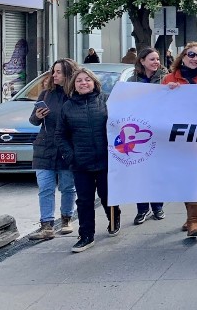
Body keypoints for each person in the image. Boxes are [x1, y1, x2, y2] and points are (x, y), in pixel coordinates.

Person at [55, 68, 117, 252]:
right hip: (80, 163)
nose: (83, 83)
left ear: (94, 82)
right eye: (79, 80)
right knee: (84, 201)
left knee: (107, 196)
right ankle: (86, 235)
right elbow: (60, 135)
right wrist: (70, 155)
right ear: (74, 85)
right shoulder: (68, 107)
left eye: (87, 80)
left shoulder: (107, 101)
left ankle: (114, 218)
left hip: (106, 161)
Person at [164, 42, 197, 237]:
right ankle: (190, 217)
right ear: (183, 57)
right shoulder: (170, 78)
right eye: (191, 54)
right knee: (184, 177)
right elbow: (159, 107)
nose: (195, 58)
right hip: (178, 137)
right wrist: (167, 92)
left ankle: (195, 220)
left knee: (196, 176)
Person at [28, 58, 79, 240]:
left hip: (65, 148)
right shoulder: (45, 94)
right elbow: (33, 120)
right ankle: (47, 225)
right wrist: (37, 116)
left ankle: (66, 219)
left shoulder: (75, 95)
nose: (54, 75)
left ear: (68, 74)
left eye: (58, 72)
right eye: (53, 71)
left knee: (67, 187)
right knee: (45, 187)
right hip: (44, 147)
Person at [127, 48, 167, 225]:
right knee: (141, 171)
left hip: (160, 131)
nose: (156, 62)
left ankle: (158, 206)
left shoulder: (166, 79)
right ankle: (142, 209)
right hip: (139, 132)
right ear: (142, 61)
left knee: (157, 171)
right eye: (152, 59)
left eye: (157, 59)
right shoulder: (132, 81)